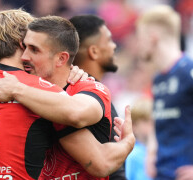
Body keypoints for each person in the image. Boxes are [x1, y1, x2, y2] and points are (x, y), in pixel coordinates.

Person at [0, 10, 135, 179]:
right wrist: (128, 143)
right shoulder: (39, 88)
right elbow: (100, 163)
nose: (27, 55)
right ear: (20, 45)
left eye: (34, 49)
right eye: (27, 47)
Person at [136, 5, 193, 180]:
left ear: (153, 38)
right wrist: (151, 152)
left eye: (141, 38)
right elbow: (161, 121)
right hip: (162, 173)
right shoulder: (158, 79)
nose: (139, 45)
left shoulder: (188, 71)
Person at [68, 15, 126, 179]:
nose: (114, 46)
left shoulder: (81, 94)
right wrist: (129, 141)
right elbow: (109, 168)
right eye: (108, 40)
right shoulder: (87, 98)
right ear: (93, 51)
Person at [125, 98, 153, 180]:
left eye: (154, 120)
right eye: (146, 121)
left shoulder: (161, 151)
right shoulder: (132, 155)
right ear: (134, 126)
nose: (151, 124)